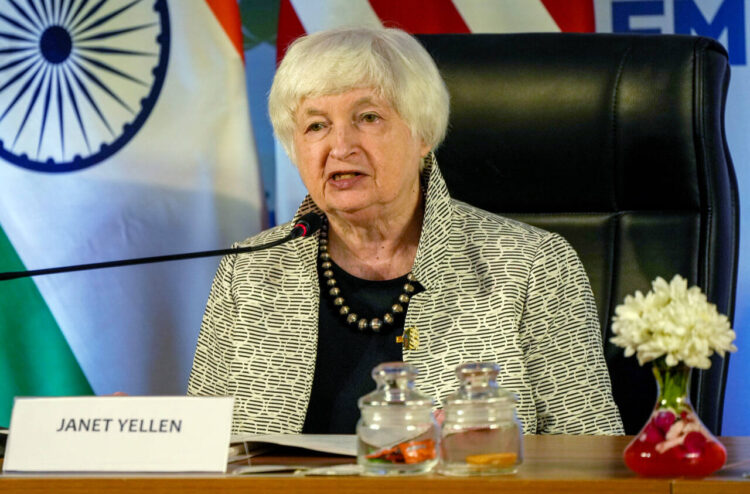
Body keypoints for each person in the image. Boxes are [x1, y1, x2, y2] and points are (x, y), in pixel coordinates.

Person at [188, 27, 623, 436]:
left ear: (422, 135)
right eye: (316, 125)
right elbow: (201, 452)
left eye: (368, 117)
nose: (340, 146)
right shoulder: (250, 270)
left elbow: (591, 448)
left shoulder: (532, 266)